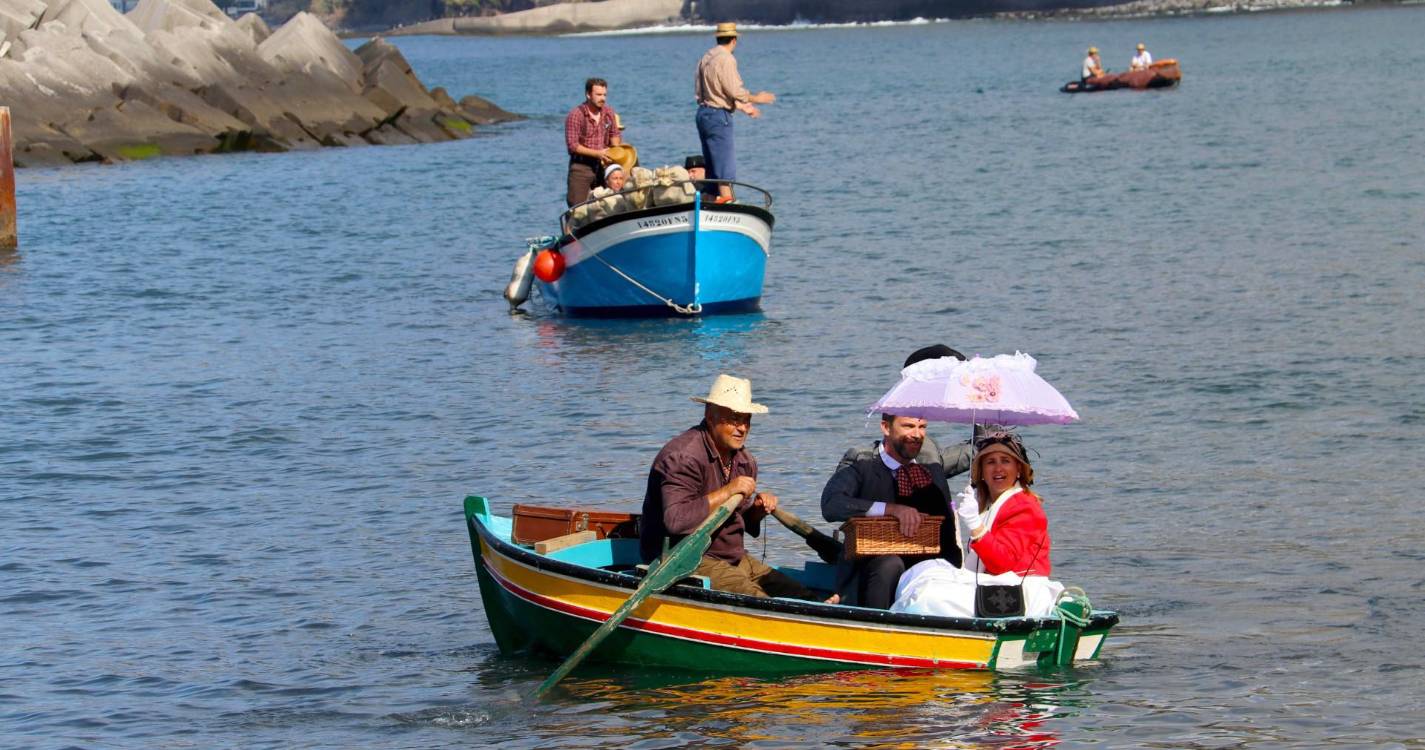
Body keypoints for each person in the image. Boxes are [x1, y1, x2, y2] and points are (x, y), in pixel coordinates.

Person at [640, 374, 819, 600]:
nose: (742, 428)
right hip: (681, 558)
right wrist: (728, 491)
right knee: (760, 602)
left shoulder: (745, 461)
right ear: (710, 416)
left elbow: (743, 523)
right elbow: (676, 521)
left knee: (803, 597)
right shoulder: (683, 457)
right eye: (734, 419)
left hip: (731, 557)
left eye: (746, 420)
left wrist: (758, 509)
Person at [890, 430, 1064, 618]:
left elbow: (1002, 564)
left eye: (1005, 461)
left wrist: (975, 526)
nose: (998, 469)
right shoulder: (989, 504)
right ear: (981, 472)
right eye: (990, 462)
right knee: (921, 571)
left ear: (1019, 469)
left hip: (1018, 593)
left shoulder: (1025, 507)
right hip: (995, 585)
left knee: (928, 596)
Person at [822, 411, 960, 609]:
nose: (917, 434)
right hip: (869, 572)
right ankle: (879, 629)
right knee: (890, 564)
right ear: (886, 428)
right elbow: (831, 504)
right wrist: (890, 509)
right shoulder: (862, 462)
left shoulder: (930, 465)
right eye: (908, 426)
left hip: (925, 575)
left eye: (922, 427)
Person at [694, 22, 775, 204]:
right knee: (724, 167)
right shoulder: (727, 59)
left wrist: (742, 106)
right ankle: (728, 203)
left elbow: (705, 90)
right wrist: (756, 98)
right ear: (734, 40)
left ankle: (708, 202)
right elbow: (733, 90)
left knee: (713, 167)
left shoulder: (706, 57)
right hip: (718, 116)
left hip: (703, 114)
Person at [565, 77, 621, 206]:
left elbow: (615, 134)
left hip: (603, 165)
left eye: (605, 95)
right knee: (577, 207)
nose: (603, 98)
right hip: (581, 166)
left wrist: (616, 149)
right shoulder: (576, 115)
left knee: (609, 203)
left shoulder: (608, 112)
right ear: (588, 95)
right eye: (599, 95)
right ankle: (571, 226)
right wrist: (597, 153)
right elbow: (572, 146)